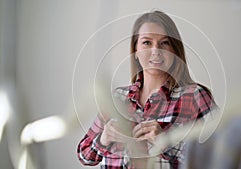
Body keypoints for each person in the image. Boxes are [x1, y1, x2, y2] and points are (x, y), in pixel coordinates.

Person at [77, 10, 216, 169]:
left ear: (174, 50)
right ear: (135, 51)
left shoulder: (195, 97)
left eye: (164, 43)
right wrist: (104, 138)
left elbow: (222, 158)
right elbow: (84, 155)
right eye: (147, 42)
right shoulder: (117, 98)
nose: (156, 50)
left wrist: (166, 142)